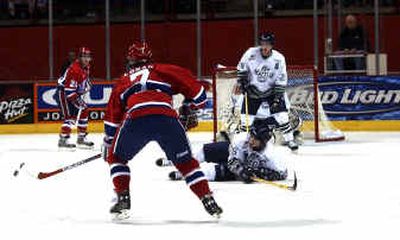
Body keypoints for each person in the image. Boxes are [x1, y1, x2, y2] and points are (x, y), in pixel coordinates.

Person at [102, 41, 223, 220]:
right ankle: (207, 198)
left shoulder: (123, 80)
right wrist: (191, 104)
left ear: (131, 60)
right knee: (186, 163)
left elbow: (113, 118)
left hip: (136, 118)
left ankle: (123, 199)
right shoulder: (163, 69)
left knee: (116, 158)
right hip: (166, 117)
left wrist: (109, 142)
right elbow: (198, 93)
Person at [160, 119, 288, 183]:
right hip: (236, 157)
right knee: (207, 150)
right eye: (252, 136)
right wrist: (241, 170)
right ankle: (176, 161)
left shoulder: (270, 155)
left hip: (245, 165)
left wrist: (258, 173)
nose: (251, 140)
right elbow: (232, 161)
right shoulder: (241, 139)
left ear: (264, 141)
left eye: (256, 139)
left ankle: (186, 174)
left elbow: (282, 174)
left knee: (213, 172)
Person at [236, 31, 298, 152]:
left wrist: (277, 97)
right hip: (253, 90)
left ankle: (290, 140)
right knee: (245, 120)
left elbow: (281, 79)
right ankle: (240, 142)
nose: (264, 46)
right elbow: (241, 68)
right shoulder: (250, 53)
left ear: (272, 45)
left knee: (282, 116)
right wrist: (242, 81)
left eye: (267, 44)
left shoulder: (279, 58)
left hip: (271, 91)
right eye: (262, 43)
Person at [56, 47, 94, 149]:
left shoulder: (86, 67)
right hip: (64, 93)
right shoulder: (74, 70)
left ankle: (81, 138)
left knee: (84, 110)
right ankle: (63, 139)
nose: (86, 59)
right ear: (80, 58)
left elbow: (85, 80)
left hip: (73, 92)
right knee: (70, 117)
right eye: (84, 57)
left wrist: (88, 85)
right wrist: (77, 101)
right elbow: (69, 91)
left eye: (88, 57)